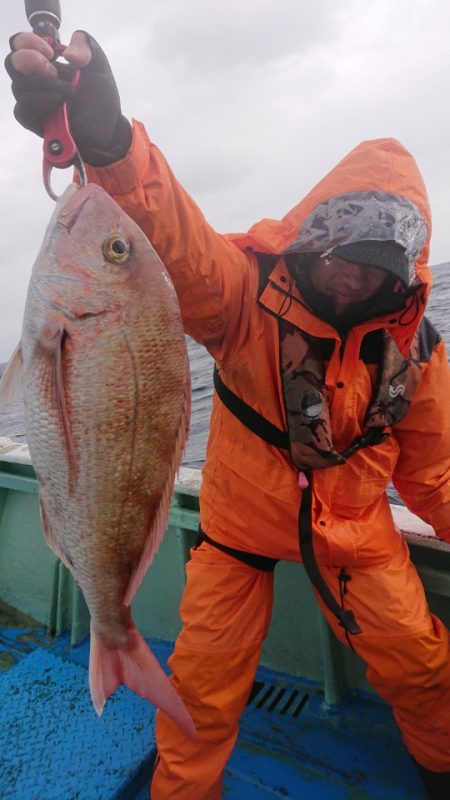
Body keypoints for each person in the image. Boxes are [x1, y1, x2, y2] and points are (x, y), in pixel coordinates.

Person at [5, 30, 450, 800]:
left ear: (401, 278)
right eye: (340, 254)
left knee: (423, 664)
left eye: (372, 270)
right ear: (315, 235)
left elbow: (437, 471)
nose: (348, 280)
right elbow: (172, 236)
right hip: (238, 532)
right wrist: (108, 142)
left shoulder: (416, 351)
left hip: (356, 538)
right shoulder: (245, 293)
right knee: (201, 697)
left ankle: (442, 768)